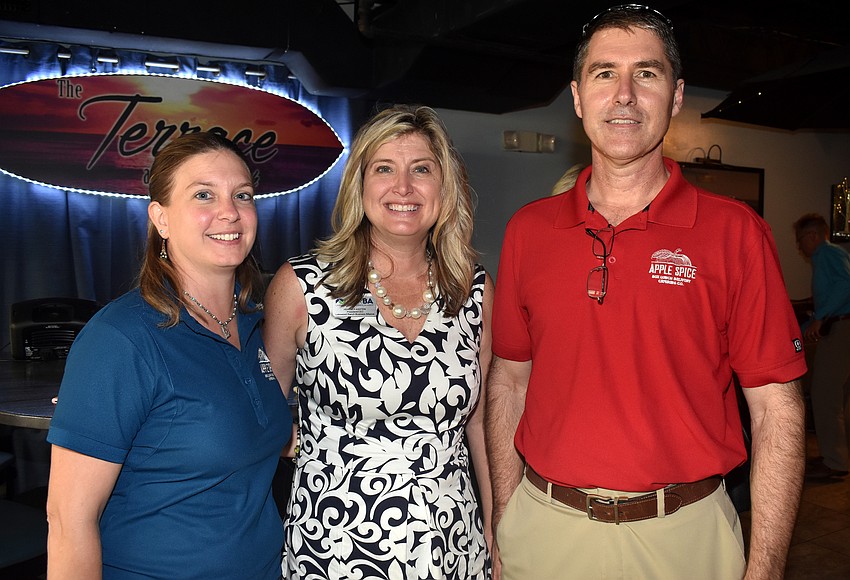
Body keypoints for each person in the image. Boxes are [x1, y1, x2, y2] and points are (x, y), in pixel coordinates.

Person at [486, 5, 807, 580]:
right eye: (605, 73)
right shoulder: (528, 231)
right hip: (545, 529)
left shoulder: (735, 233)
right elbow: (509, 380)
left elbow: (775, 409)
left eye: (647, 73)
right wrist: (509, 516)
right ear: (578, 97)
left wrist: (765, 567)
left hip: (685, 537)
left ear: (676, 96)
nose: (625, 95)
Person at [45, 132, 292, 579]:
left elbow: (254, 434)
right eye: (203, 195)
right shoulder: (120, 339)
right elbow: (68, 522)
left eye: (242, 195)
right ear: (160, 218)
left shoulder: (255, 324)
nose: (229, 212)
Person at [263, 104, 493, 579]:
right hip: (335, 547)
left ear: (444, 186)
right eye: (384, 169)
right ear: (360, 184)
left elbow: (482, 424)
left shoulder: (473, 290)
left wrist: (496, 525)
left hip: (453, 544)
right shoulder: (303, 286)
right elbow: (263, 415)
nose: (403, 187)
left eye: (421, 169)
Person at [793, 213, 850, 479]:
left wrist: (820, 316)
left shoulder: (827, 253)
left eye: (800, 240)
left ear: (813, 236)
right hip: (840, 327)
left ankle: (835, 462)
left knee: (824, 394)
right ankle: (838, 457)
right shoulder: (832, 255)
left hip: (840, 329)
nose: (799, 246)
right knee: (837, 396)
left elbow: (846, 285)